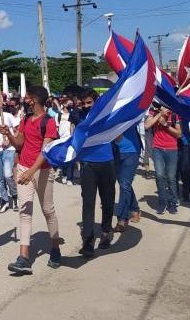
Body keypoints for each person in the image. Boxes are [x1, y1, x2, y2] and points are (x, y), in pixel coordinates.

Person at [0, 85, 61, 275]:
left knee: (47, 210)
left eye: (27, 98)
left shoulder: (49, 122)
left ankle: (55, 248)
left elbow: (46, 151)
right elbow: (20, 142)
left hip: (41, 171)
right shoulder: (25, 119)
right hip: (25, 168)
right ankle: (24, 258)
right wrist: (9, 134)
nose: (24, 100)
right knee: (25, 212)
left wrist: (31, 171)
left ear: (34, 100)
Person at [73, 89, 115, 257]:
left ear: (96, 102)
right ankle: (88, 241)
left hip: (107, 163)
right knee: (88, 204)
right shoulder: (79, 117)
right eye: (83, 103)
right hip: (88, 165)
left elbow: (116, 136)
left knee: (108, 201)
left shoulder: (107, 116)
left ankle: (106, 231)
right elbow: (76, 138)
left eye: (89, 103)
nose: (85, 106)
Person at [145, 105, 182, 214]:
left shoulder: (175, 113)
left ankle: (172, 202)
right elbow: (147, 125)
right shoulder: (153, 111)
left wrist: (166, 125)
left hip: (172, 149)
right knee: (159, 175)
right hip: (157, 149)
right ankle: (162, 202)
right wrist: (159, 114)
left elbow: (179, 134)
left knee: (171, 177)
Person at [113, 122, 142, 232]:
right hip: (114, 152)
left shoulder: (130, 108)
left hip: (131, 151)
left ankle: (122, 218)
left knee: (124, 184)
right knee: (124, 184)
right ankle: (135, 209)